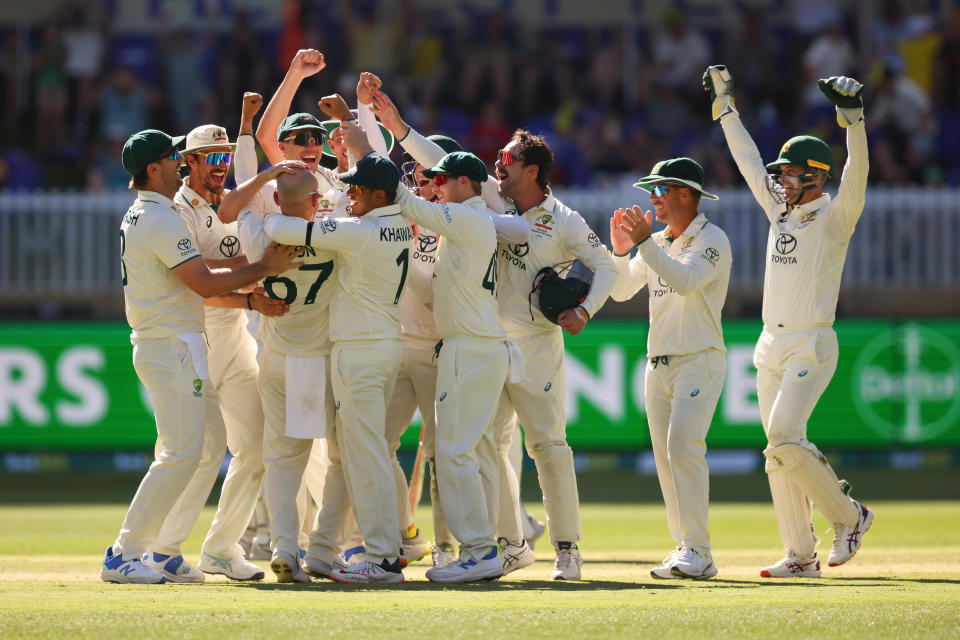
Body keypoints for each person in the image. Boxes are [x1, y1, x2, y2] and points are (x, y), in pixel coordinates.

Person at [370, 90, 606, 580]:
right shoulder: (494, 203)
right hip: (489, 342)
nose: (498, 164)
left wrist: (585, 307)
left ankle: (566, 549)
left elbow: (607, 267)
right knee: (484, 448)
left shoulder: (565, 220)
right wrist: (399, 129)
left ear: (533, 170)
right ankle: (510, 544)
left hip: (538, 344)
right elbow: (449, 168)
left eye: (507, 158)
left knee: (548, 447)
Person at [100, 129, 299, 584]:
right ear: (155, 168)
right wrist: (262, 271)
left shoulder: (148, 213)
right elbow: (205, 285)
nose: (179, 162)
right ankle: (126, 553)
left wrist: (252, 272)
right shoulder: (164, 217)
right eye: (173, 156)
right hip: (171, 344)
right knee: (183, 453)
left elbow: (205, 270)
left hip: (178, 342)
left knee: (203, 450)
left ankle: (177, 552)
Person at [704, 65, 873, 577]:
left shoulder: (836, 216)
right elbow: (750, 161)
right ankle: (800, 555)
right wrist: (726, 109)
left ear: (817, 175)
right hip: (768, 344)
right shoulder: (780, 212)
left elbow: (858, 174)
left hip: (811, 343)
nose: (779, 181)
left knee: (783, 435)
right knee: (776, 453)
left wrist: (854, 122)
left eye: (790, 174)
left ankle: (851, 517)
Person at [261, 157, 412, 585]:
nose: (349, 195)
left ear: (379, 195)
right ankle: (361, 550)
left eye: (357, 190)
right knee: (366, 454)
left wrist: (278, 195)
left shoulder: (360, 233)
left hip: (361, 352)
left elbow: (281, 229)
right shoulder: (396, 221)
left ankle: (382, 557)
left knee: (366, 457)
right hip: (381, 346)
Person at [608, 157, 732, 580]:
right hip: (657, 363)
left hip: (699, 358)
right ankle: (686, 546)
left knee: (683, 447)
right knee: (665, 458)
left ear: (685, 193)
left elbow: (685, 280)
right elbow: (623, 291)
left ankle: (699, 550)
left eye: (660, 190)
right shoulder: (656, 241)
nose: (652, 199)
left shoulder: (713, 240)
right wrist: (623, 253)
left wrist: (643, 245)